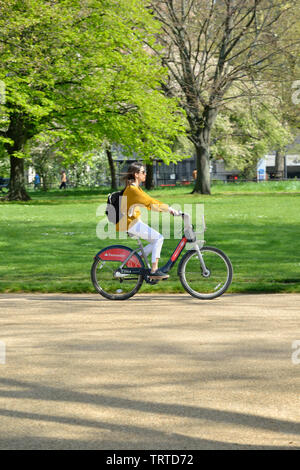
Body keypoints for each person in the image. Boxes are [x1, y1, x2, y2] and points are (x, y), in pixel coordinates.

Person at [116, 162, 178, 280]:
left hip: (132, 222)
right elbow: (149, 202)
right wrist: (169, 209)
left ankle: (135, 260)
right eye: (143, 172)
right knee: (159, 238)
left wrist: (167, 208)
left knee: (155, 241)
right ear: (136, 174)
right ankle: (154, 270)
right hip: (130, 223)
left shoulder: (135, 188)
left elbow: (150, 201)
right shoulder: (133, 190)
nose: (145, 174)